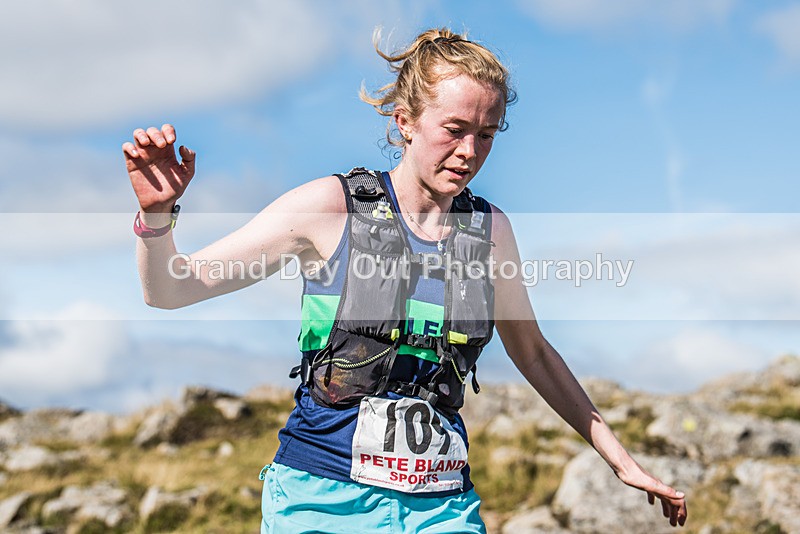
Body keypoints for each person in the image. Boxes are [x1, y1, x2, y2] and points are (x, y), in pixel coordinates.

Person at [124, 27, 688, 533]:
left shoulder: (489, 231)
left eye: (488, 134)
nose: (470, 152)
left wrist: (623, 463)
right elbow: (173, 289)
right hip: (322, 500)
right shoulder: (329, 208)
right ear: (405, 121)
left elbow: (534, 354)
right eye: (455, 129)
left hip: (442, 506)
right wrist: (157, 216)